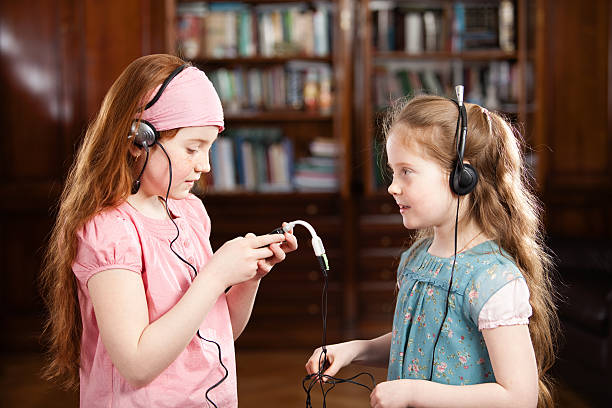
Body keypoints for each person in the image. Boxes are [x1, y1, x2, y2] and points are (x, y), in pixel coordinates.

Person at [40, 54, 297, 407]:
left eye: (209, 149)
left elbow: (218, 333)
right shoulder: (109, 233)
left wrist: (247, 279)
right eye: (193, 148)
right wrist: (214, 275)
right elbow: (136, 364)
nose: (205, 165)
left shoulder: (190, 212)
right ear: (138, 140)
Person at [305, 93, 558, 407]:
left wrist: (412, 393)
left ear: (461, 178)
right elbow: (416, 344)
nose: (392, 186)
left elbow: (519, 397)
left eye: (406, 171)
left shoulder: (493, 281)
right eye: (392, 172)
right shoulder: (417, 259)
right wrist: (355, 350)